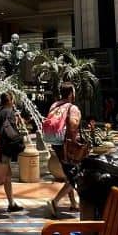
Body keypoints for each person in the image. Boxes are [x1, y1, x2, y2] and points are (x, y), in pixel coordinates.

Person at [44, 82, 83, 218]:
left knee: (68, 173)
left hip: (56, 143)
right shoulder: (72, 107)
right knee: (76, 175)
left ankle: (73, 203)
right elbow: (73, 125)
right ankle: (55, 201)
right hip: (68, 146)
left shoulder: (54, 105)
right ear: (71, 93)